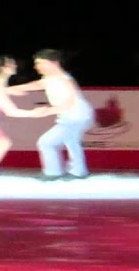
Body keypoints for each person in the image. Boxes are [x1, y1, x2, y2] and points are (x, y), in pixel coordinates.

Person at [8, 49, 95, 180]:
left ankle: (53, 172)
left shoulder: (64, 80)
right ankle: (78, 172)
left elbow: (69, 103)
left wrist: (47, 111)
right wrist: (10, 89)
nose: (36, 67)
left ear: (54, 63)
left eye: (40, 63)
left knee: (46, 142)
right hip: (75, 117)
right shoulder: (51, 79)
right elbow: (36, 85)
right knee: (71, 142)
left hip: (76, 117)